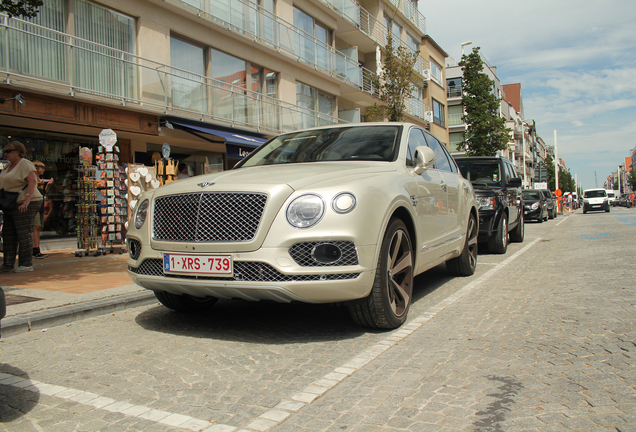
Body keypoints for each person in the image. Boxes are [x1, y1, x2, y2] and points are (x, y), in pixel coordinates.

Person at [0, 141, 43, 273]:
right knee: (8, 233)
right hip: (10, 202)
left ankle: (26, 263)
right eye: (5, 152)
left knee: (22, 231)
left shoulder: (24, 163)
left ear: (17, 152)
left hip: (25, 201)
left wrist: (27, 200)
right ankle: (8, 262)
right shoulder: (8, 167)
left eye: (9, 152)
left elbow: (32, 181)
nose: (6, 154)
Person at [32, 160, 53, 259]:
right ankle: (34, 249)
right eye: (42, 168)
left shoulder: (40, 179)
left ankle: (37, 248)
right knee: (35, 226)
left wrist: (47, 185)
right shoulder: (31, 178)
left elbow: (43, 193)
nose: (43, 170)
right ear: (36, 168)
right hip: (34, 204)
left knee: (39, 227)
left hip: (40, 203)